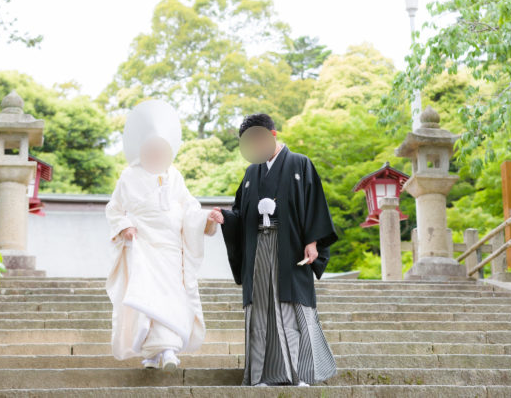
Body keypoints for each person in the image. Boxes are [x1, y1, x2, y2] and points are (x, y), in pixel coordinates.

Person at [214, 113, 339, 387]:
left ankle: (300, 375)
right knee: (259, 311)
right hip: (258, 248)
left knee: (290, 309)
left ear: (272, 135)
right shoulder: (251, 172)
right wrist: (226, 217)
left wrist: (313, 240)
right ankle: (260, 376)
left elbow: (314, 203)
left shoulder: (299, 164)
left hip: (290, 247)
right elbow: (240, 212)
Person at [105, 99, 223, 371]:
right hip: (143, 247)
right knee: (146, 298)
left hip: (171, 249)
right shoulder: (128, 176)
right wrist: (125, 226)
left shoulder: (175, 176)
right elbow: (114, 208)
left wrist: (206, 218)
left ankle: (168, 348)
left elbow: (189, 208)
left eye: (162, 149)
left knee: (171, 297)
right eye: (152, 148)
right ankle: (151, 351)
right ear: (142, 149)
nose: (156, 153)